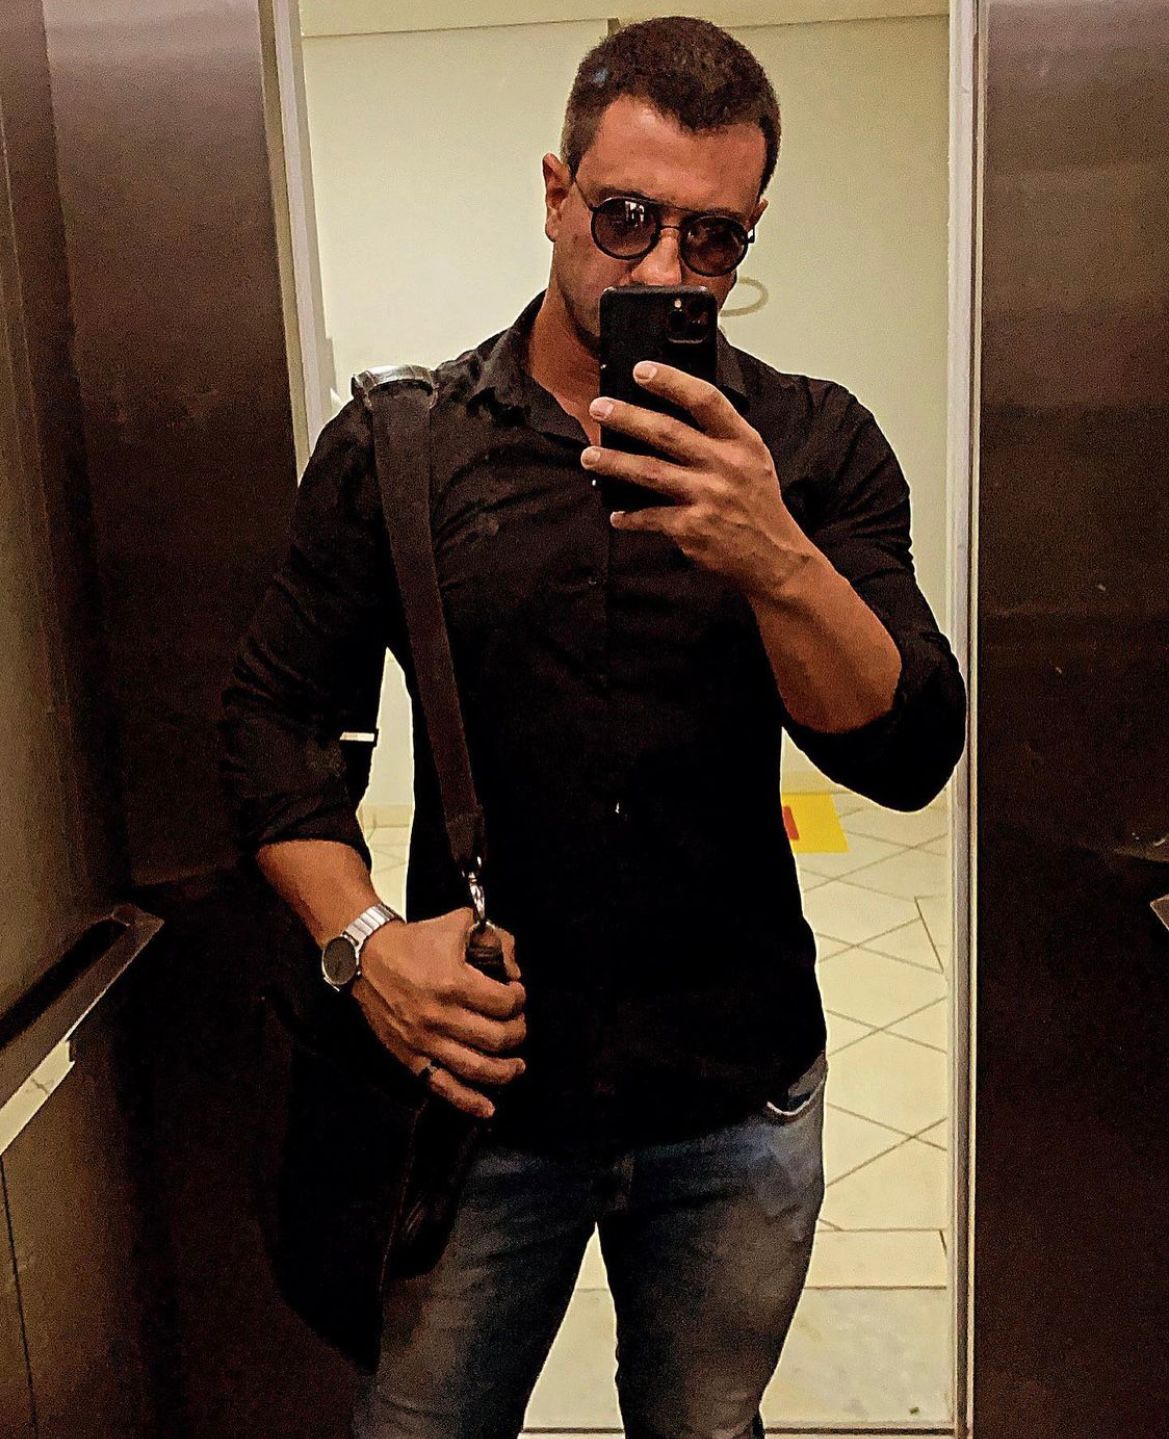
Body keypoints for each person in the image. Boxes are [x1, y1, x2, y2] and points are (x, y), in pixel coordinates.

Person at [221, 15, 966, 1439]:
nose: (663, 271)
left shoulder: (812, 448)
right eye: (626, 219)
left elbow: (905, 748)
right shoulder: (401, 447)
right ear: (557, 194)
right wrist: (364, 942)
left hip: (733, 1087)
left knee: (704, 1428)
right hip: (479, 1088)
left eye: (714, 241)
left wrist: (772, 554)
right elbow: (270, 721)